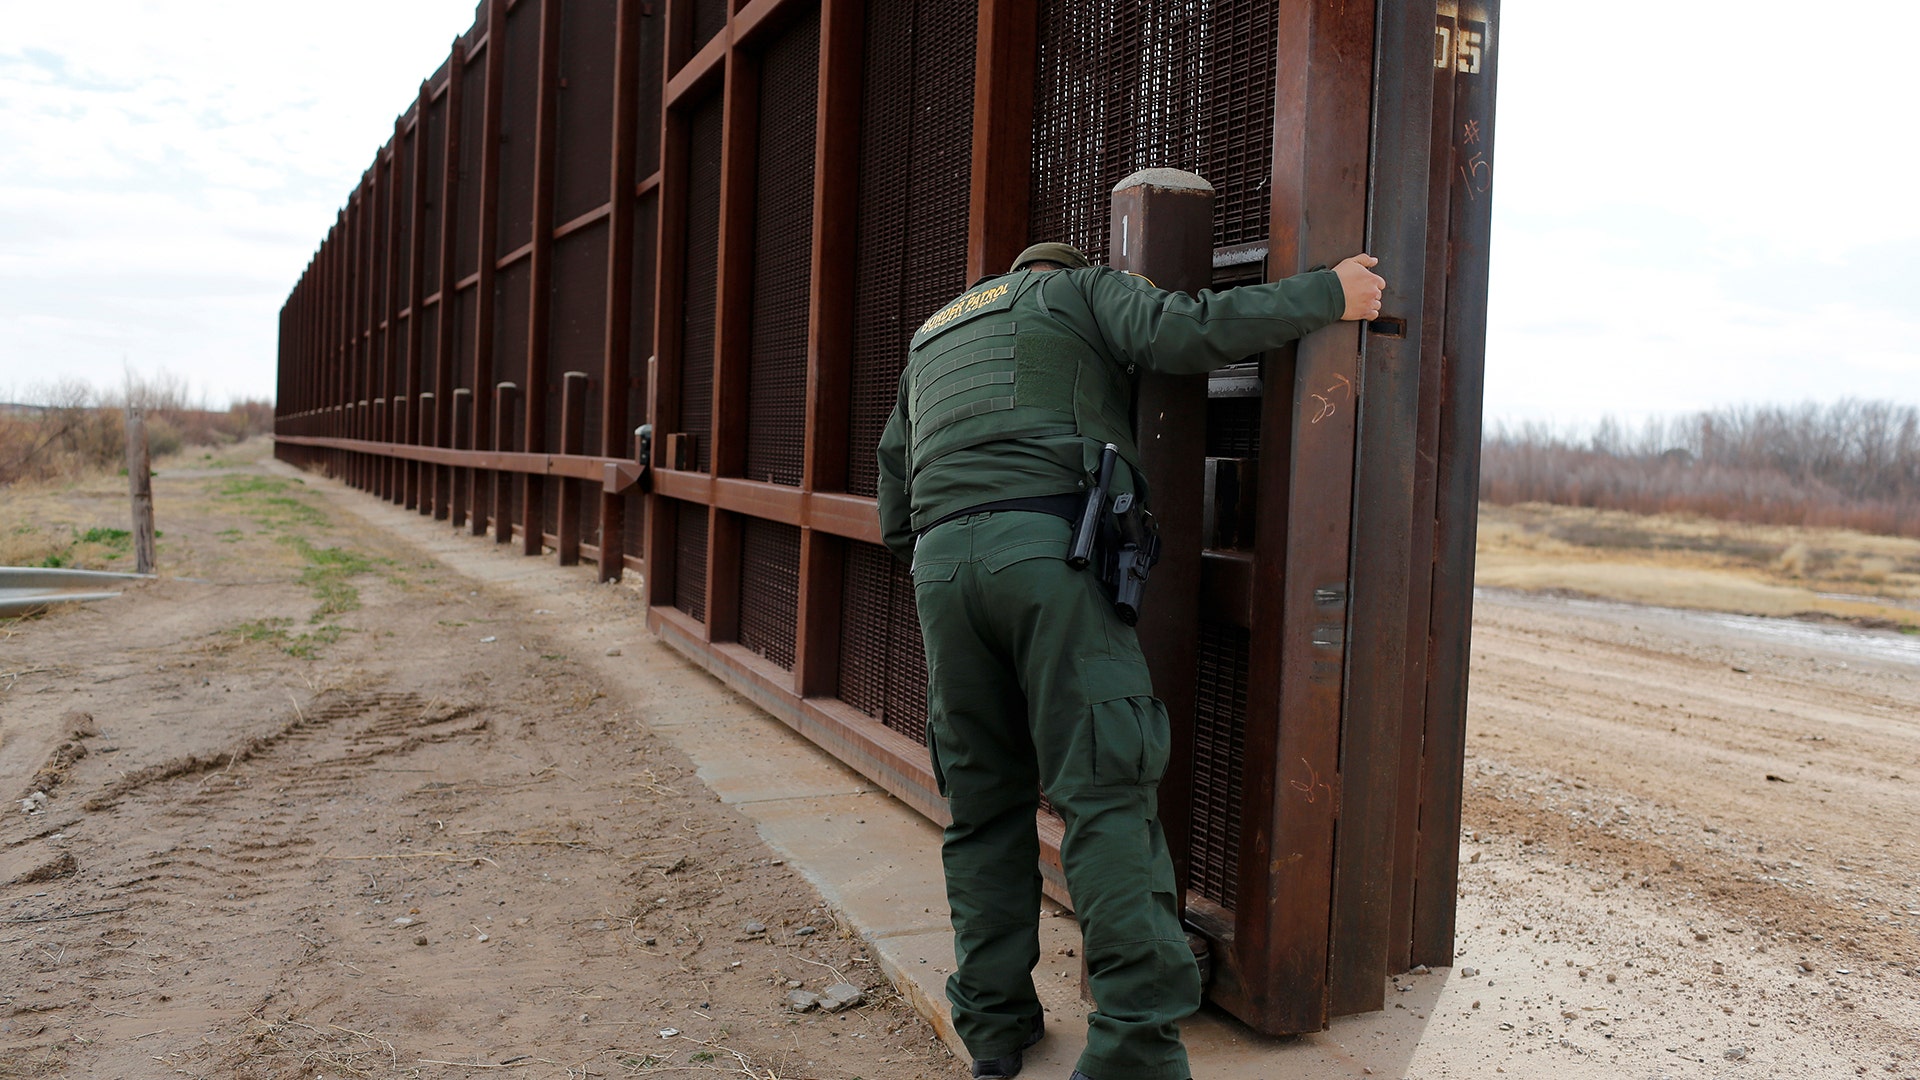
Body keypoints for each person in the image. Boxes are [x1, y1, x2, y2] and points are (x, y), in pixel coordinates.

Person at [876, 241, 1385, 1080]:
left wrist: (961, 552)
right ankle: (1133, 1051)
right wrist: (1326, 293)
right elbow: (1184, 332)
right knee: (1106, 793)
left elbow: (896, 501)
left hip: (941, 569)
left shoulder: (935, 332)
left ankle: (996, 1029)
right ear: (1059, 269)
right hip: (1048, 553)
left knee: (982, 806)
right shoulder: (1079, 292)